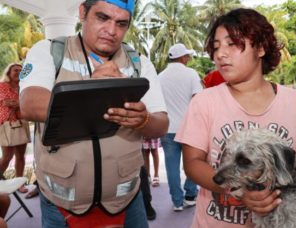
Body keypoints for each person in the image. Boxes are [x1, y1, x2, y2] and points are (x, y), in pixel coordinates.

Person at [18, 0, 168, 227]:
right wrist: (96, 91)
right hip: (61, 202)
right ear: (82, 12)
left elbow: (161, 124)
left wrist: (143, 119)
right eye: (102, 17)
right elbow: (30, 104)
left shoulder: (139, 62)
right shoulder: (50, 50)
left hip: (127, 199)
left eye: (121, 23)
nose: (111, 31)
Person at [175, 8, 296, 227]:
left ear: (261, 48)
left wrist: (280, 192)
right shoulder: (204, 101)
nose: (220, 54)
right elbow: (193, 163)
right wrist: (237, 190)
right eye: (216, 47)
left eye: (232, 44)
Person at [159, 43, 203, 211]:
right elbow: (197, 99)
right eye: (187, 56)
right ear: (183, 57)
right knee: (193, 162)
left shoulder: (160, 76)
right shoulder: (191, 74)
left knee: (171, 166)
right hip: (189, 128)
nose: (188, 59)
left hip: (167, 128)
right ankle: (190, 195)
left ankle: (177, 201)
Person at [0, 63, 30, 194]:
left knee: (21, 156)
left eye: (21, 70)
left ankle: (20, 184)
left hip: (21, 122)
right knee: (7, 156)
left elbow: (26, 103)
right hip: (7, 123)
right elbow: (8, 103)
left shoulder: (24, 87)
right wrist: (23, 104)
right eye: (15, 70)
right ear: (8, 73)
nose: (18, 72)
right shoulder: (2, 86)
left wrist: (21, 104)